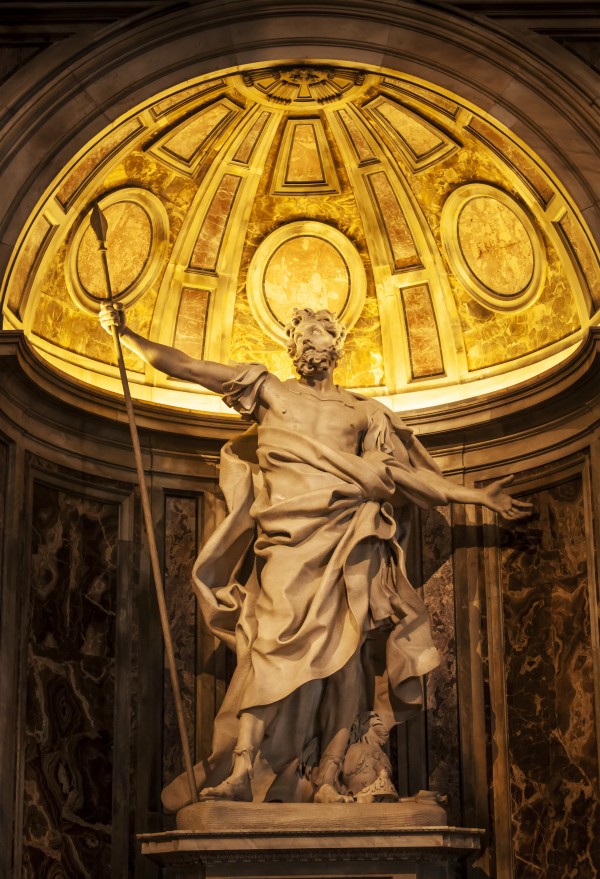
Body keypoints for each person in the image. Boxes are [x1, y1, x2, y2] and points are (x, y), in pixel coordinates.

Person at [99, 303, 531, 808]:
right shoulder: (269, 391)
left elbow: (405, 478)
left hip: (349, 534)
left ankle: (328, 772)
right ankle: (241, 768)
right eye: (299, 337)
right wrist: (127, 335)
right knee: (271, 644)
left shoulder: (365, 413)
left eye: (317, 336)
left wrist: (475, 497)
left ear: (337, 344)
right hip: (289, 538)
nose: (307, 345)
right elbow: (189, 367)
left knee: (348, 660)